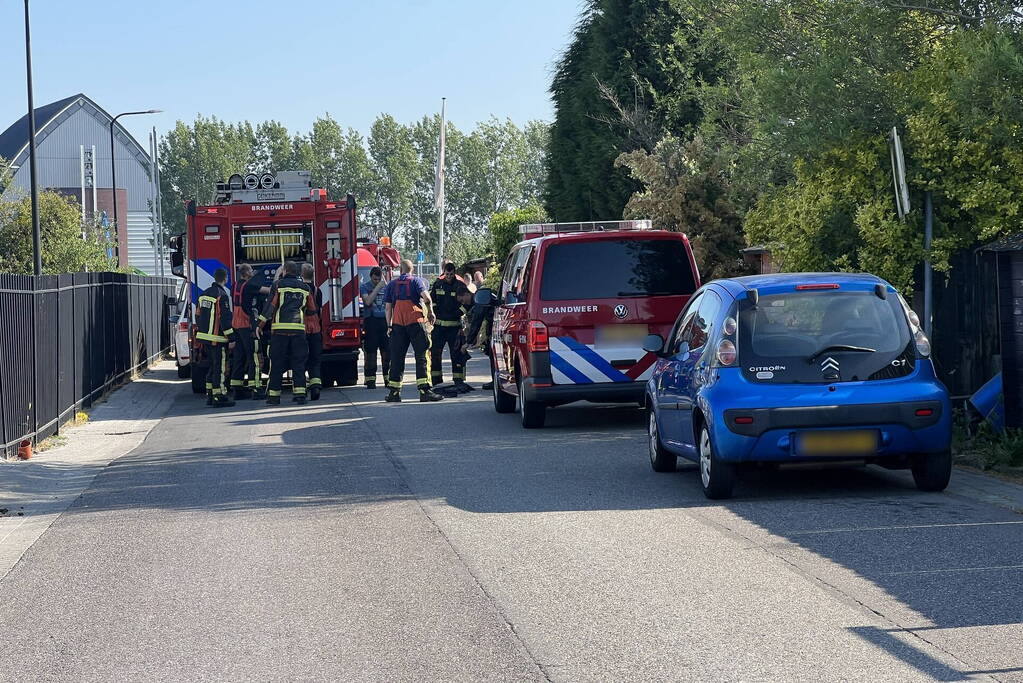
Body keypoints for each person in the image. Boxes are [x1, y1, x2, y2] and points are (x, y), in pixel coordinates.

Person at [383, 260, 443, 403]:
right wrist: (430, 313)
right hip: (415, 323)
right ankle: (424, 391)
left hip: (397, 325)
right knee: (422, 356)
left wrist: (389, 326)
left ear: (400, 269)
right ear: (412, 269)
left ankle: (394, 392)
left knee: (397, 358)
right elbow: (427, 298)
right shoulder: (416, 281)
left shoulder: (391, 285)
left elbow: (387, 308)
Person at [259, 261, 317, 405]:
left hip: (280, 331)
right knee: (298, 363)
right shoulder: (305, 288)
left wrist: (260, 325)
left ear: (284, 271)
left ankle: (274, 396)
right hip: (298, 331)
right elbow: (312, 309)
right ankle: (300, 395)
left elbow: (270, 306)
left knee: (277, 363)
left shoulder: (278, 285)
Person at [196, 267, 236, 408]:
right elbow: (225, 318)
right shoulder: (222, 295)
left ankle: (210, 395)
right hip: (217, 339)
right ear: (225, 279)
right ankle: (219, 396)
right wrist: (231, 338)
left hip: (205, 337)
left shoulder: (204, 294)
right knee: (220, 367)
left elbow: (198, 315)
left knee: (212, 366)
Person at [228, 264, 269, 400]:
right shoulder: (250, 286)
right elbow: (267, 291)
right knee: (255, 357)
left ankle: (237, 389)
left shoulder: (234, 286)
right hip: (247, 326)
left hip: (236, 325)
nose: (253, 272)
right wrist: (277, 278)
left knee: (239, 357)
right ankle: (256, 388)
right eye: (251, 270)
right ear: (246, 273)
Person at [429, 262, 466, 387]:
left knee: (456, 354)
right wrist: (434, 311)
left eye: (451, 274)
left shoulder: (460, 286)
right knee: (435, 353)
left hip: (454, 327)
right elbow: (431, 300)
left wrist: (458, 313)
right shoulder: (438, 284)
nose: (449, 276)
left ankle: (458, 379)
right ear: (444, 273)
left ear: (454, 273)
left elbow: (468, 302)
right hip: (439, 327)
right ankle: (436, 379)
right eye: (447, 274)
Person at [464, 286, 499, 390]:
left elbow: (477, 321)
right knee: (493, 353)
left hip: (496, 325)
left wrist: (468, 341)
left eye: (462, 300)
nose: (464, 303)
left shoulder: (480, 299)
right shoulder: (482, 297)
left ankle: (496, 381)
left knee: (494, 354)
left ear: (467, 294)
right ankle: (496, 380)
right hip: (495, 325)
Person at [360, 266, 390, 388]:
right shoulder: (364, 286)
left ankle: (387, 379)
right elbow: (367, 301)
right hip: (371, 322)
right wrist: (378, 287)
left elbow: (391, 304)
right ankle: (370, 380)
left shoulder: (387, 287)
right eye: (374, 279)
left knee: (386, 352)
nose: (376, 281)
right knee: (371, 352)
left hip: (384, 322)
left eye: (378, 279)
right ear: (370, 277)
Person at [301, 263, 324, 401]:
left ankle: (301, 388)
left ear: (302, 274)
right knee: (315, 360)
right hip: (315, 327)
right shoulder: (317, 290)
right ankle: (315, 387)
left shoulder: (299, 289)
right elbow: (320, 311)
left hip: (302, 327)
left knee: (301, 359)